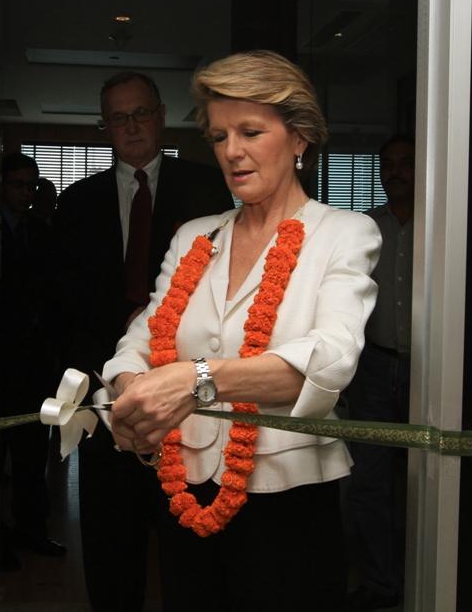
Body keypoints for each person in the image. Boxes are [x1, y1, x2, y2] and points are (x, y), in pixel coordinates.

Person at [102, 51, 380, 611]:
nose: (231, 151)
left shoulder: (344, 233)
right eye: (219, 135)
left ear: (299, 137)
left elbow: (330, 358)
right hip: (184, 485)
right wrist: (131, 390)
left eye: (251, 131)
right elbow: (141, 338)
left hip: (290, 498)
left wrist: (196, 380)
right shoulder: (194, 238)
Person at [53, 70, 231, 610]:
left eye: (141, 113)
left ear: (161, 116)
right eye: (118, 117)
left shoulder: (208, 188)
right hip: (105, 386)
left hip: (189, 387)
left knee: (189, 528)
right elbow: (59, 296)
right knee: (110, 528)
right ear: (104, 127)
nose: (131, 126)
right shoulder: (77, 202)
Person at [0, 153, 64, 572]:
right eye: (17, 185)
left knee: (31, 453)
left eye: (31, 185)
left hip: (34, 362)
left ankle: (32, 529)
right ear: (1, 185)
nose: (24, 193)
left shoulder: (43, 232)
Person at [345, 135, 415, 612]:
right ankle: (381, 583)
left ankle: (422, 576)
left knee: (426, 479)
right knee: (369, 480)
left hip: (432, 371)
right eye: (387, 164)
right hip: (374, 366)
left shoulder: (448, 225)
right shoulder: (366, 230)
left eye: (405, 164)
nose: (394, 172)